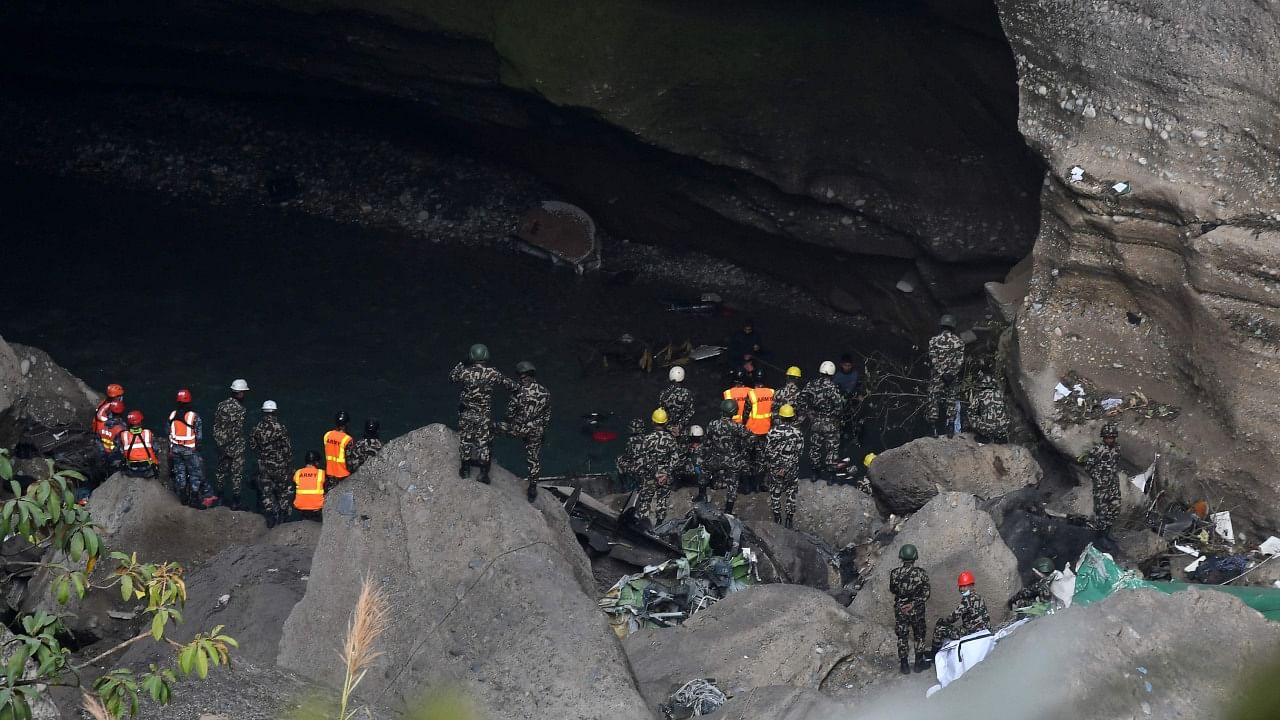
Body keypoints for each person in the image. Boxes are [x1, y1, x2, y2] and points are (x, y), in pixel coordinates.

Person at [449, 343, 516, 484]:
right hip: (483, 414)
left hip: (467, 413)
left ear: (472, 356)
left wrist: (462, 362)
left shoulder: (465, 372)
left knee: (466, 441)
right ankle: (483, 474)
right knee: (483, 443)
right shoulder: (493, 373)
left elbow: (452, 377)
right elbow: (511, 386)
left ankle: (465, 470)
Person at [496, 360, 552, 502]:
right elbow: (547, 416)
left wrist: (508, 426)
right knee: (533, 459)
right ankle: (532, 487)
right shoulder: (545, 392)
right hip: (536, 429)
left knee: (494, 428)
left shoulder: (518, 392)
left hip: (518, 428)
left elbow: (509, 414)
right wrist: (542, 429)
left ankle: (484, 459)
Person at [703, 399, 752, 513]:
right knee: (733, 484)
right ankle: (728, 511)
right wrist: (742, 450)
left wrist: (707, 456)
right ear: (734, 411)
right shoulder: (737, 427)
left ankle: (702, 496)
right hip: (732, 460)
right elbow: (751, 439)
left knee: (704, 469)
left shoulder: (712, 424)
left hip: (715, 459)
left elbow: (706, 442)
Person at [169, 388, 215, 508]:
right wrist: (197, 447)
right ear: (189, 401)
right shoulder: (194, 416)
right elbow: (199, 436)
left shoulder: (172, 415)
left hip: (175, 449)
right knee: (195, 473)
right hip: (189, 450)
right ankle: (194, 497)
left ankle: (183, 496)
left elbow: (170, 431)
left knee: (180, 472)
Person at [889, 544, 931, 674]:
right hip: (917, 609)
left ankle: (904, 665)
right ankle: (918, 664)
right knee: (919, 635)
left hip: (901, 609)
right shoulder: (921, 573)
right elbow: (926, 594)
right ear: (915, 557)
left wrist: (904, 601)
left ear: (901, 557)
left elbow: (893, 590)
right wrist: (913, 603)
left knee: (902, 636)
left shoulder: (895, 573)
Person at [250, 400, 292, 528]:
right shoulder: (280, 428)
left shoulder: (256, 428)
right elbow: (287, 449)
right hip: (279, 465)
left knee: (266, 492)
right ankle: (283, 520)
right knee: (283, 492)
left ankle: (269, 518)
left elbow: (252, 446)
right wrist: (289, 465)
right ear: (275, 412)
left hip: (264, 465)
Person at [800, 361, 844, 482]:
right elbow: (839, 406)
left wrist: (809, 413)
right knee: (832, 448)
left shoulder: (811, 385)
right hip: (830, 422)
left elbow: (801, 398)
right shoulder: (832, 387)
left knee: (815, 448)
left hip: (816, 421)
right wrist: (834, 416)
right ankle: (830, 475)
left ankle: (815, 473)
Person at [636, 408, 679, 526]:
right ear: (665, 423)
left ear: (653, 422)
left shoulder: (647, 439)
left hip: (650, 476)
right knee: (662, 500)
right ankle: (659, 526)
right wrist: (666, 473)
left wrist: (655, 473)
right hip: (665, 476)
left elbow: (643, 460)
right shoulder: (671, 439)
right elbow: (675, 459)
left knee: (645, 501)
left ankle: (644, 526)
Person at [930, 571, 990, 656]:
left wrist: (943, 621)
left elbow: (954, 617)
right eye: (961, 586)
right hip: (983, 630)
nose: (962, 589)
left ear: (971, 586)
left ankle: (933, 655)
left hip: (972, 632)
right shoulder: (978, 596)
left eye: (964, 586)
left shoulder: (967, 600)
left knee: (939, 629)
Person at [763, 404, 804, 528]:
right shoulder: (797, 433)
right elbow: (800, 452)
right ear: (792, 417)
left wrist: (777, 465)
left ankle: (777, 519)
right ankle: (789, 520)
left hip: (775, 469)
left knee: (775, 493)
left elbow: (767, 451)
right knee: (791, 492)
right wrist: (787, 465)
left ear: (780, 416)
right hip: (791, 469)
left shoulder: (772, 432)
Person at [214, 379, 250, 510]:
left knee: (221, 473)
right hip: (235, 447)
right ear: (240, 393)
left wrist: (220, 444)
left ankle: (219, 499)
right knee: (236, 474)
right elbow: (236, 430)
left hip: (221, 445)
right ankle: (236, 502)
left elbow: (216, 426)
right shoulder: (240, 409)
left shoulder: (221, 405)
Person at [927, 315, 966, 437]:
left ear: (941, 325)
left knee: (933, 399)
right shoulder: (959, 342)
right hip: (952, 378)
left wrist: (942, 372)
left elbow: (933, 358)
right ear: (953, 326)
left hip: (937, 377)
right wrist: (951, 373)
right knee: (951, 399)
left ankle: (933, 429)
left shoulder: (933, 341)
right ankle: (950, 426)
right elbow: (960, 361)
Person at [1084, 422, 1122, 536]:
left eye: (1112, 437)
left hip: (1114, 485)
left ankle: (1107, 532)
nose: (1110, 440)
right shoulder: (1096, 450)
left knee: (1115, 508)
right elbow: (1088, 467)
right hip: (1101, 487)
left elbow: (1116, 463)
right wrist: (1098, 478)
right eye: (1107, 437)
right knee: (1101, 512)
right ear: (1103, 437)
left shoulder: (1117, 448)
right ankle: (1100, 535)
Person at [970, 370, 1010, 443]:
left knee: (971, 414)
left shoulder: (979, 395)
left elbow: (971, 411)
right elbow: (1008, 410)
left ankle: (984, 436)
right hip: (1001, 428)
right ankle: (1000, 437)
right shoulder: (1001, 394)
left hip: (985, 429)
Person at [116, 410, 159, 479]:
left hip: (131, 469)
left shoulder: (123, 435)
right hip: (147, 469)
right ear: (140, 421)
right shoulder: (148, 433)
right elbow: (156, 449)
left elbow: (120, 451)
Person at [834, 354, 862, 446]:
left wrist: (859, 394)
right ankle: (840, 439)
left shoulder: (855, 374)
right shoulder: (838, 376)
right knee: (841, 420)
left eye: (849, 365)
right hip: (842, 401)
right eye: (845, 365)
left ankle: (856, 438)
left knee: (856, 419)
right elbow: (834, 389)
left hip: (854, 400)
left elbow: (859, 386)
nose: (847, 367)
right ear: (842, 365)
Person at [291, 450, 326, 521]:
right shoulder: (321, 473)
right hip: (317, 508)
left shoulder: (297, 473)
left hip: (301, 508)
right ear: (316, 462)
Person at [658, 366, 695, 433]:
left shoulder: (663, 394)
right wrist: (679, 426)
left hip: (667, 431)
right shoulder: (687, 393)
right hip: (682, 431)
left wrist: (670, 428)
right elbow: (690, 412)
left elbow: (661, 413)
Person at [616, 418, 648, 493]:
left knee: (619, 460)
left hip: (639, 471)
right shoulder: (648, 439)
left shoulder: (631, 441)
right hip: (649, 469)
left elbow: (630, 456)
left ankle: (625, 488)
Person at [323, 411, 354, 487]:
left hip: (329, 475)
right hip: (343, 477)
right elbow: (350, 462)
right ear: (347, 424)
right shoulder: (347, 439)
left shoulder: (327, 435)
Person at [97, 398, 127, 470]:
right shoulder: (120, 429)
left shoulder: (101, 425)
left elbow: (97, 440)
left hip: (102, 454)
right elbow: (121, 448)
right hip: (114, 458)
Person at [745, 369, 774, 437]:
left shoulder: (751, 394)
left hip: (752, 429)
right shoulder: (772, 392)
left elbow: (746, 413)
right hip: (768, 429)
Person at [684, 425, 706, 499]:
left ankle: (702, 494)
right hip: (695, 475)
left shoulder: (688, 447)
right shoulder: (705, 447)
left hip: (694, 476)